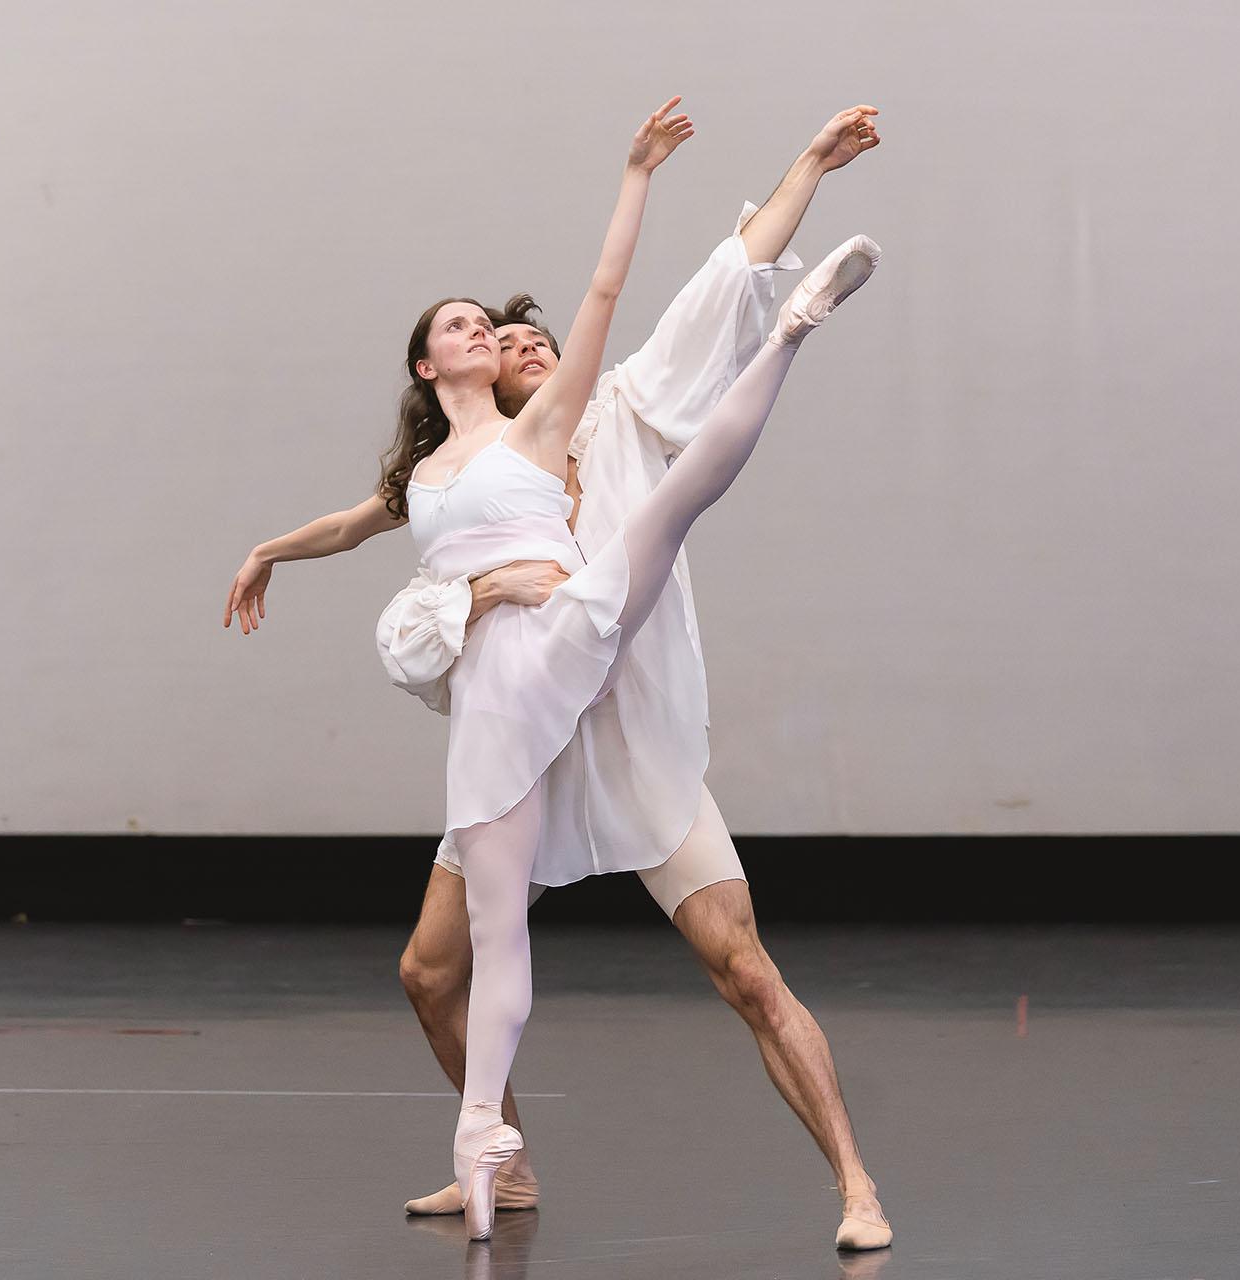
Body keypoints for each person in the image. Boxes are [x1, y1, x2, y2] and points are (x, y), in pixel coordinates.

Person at [227, 98, 880, 1244]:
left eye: (533, 340)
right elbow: (362, 517)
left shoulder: (616, 408)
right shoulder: (458, 463)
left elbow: (724, 272)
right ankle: (502, 1153)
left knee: (742, 965)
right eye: (503, 340)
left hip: (621, 725)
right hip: (519, 728)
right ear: (457, 371)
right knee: (431, 971)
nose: (524, 348)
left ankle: (856, 1184)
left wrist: (809, 166)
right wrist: (275, 547)